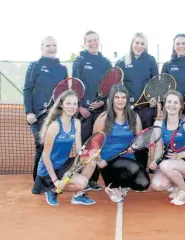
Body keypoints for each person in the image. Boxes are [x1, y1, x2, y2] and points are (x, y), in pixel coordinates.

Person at [32, 90, 97, 206]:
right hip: (48, 170)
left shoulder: (76, 123)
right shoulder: (55, 126)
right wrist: (55, 180)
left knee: (91, 162)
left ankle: (78, 196)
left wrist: (88, 154)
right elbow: (46, 156)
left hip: (64, 164)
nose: (72, 107)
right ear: (61, 105)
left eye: (74, 104)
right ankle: (52, 189)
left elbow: (78, 150)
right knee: (83, 182)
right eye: (68, 103)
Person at [93, 84, 150, 203]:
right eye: (117, 97)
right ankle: (113, 187)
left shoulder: (134, 117)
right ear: (111, 99)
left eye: (123, 97)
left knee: (143, 184)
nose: (120, 100)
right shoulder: (103, 118)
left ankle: (120, 185)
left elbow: (139, 141)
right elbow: (94, 143)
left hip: (128, 157)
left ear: (127, 99)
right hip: (108, 160)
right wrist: (98, 160)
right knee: (134, 168)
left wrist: (134, 147)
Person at [23, 36, 68, 182]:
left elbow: (64, 93)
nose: (51, 48)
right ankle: (38, 180)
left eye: (54, 45)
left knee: (55, 147)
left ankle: (51, 178)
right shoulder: (34, 66)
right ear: (42, 48)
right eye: (48, 45)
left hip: (55, 115)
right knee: (41, 146)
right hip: (37, 116)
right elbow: (27, 90)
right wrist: (29, 112)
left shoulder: (62, 69)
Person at [72, 30, 112, 191]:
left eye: (95, 40)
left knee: (97, 145)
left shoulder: (106, 62)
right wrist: (80, 106)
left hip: (100, 112)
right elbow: (75, 85)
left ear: (99, 41)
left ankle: (93, 179)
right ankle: (78, 177)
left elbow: (110, 87)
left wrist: (102, 102)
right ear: (85, 43)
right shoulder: (79, 61)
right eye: (89, 41)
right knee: (83, 147)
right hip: (84, 112)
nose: (93, 43)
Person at [149, 90, 185, 206]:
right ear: (164, 104)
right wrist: (155, 161)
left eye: (175, 102)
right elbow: (159, 149)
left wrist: (179, 156)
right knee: (158, 185)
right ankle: (177, 186)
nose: (171, 105)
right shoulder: (159, 124)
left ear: (181, 106)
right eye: (169, 102)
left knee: (165, 165)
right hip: (172, 161)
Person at [115, 32, 159, 169]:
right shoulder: (123, 61)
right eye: (136, 43)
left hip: (146, 108)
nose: (139, 46)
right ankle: (128, 169)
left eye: (142, 43)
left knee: (143, 140)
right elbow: (117, 85)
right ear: (132, 44)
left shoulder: (150, 60)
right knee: (127, 138)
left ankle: (141, 170)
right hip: (127, 108)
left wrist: (154, 98)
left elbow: (156, 83)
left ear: (145, 45)